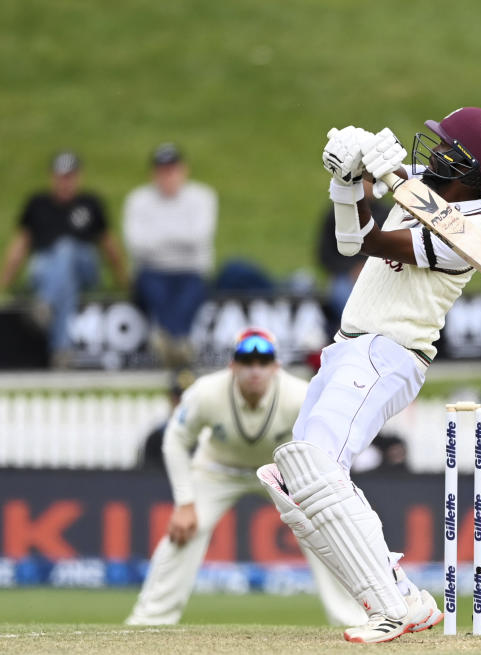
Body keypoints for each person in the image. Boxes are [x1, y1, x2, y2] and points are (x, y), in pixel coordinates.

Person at [256, 107, 481, 643]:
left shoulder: (466, 236)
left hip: (391, 350)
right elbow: (350, 242)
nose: (434, 153)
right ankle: (400, 594)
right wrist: (347, 182)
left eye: (448, 149)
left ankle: (391, 610)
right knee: (292, 481)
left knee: (317, 462)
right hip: (349, 347)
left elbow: (374, 243)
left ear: (470, 169)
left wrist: (373, 183)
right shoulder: (424, 186)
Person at [126, 328, 365, 627]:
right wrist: (185, 503)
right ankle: (149, 621)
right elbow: (175, 439)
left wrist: (320, 499)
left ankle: (351, 620)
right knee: (183, 532)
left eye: (263, 362)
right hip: (217, 469)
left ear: (275, 367)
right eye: (246, 361)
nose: (255, 370)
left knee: (323, 532)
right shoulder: (206, 392)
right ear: (233, 366)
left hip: (281, 472)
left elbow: (321, 445)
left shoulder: (299, 395)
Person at [0, 151, 126, 366]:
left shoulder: (90, 203)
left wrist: (122, 277)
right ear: (52, 177)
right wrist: (4, 280)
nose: (65, 182)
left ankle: (46, 304)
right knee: (64, 282)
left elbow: (108, 244)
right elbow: (20, 245)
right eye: (61, 176)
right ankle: (62, 351)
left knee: (66, 250)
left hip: (85, 266)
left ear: (78, 177)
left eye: (70, 176)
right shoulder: (37, 204)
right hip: (47, 270)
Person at [123, 143, 217, 366]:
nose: (168, 176)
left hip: (190, 271)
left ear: (184, 170)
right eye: (162, 170)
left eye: (172, 169)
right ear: (153, 173)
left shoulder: (202, 197)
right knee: (156, 291)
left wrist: (158, 239)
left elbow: (199, 237)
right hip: (152, 271)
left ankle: (168, 341)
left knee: (189, 293)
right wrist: (179, 239)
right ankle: (180, 344)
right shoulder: (138, 200)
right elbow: (137, 244)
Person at [316, 179, 390, 325]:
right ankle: (355, 329)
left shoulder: (389, 214)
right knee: (341, 293)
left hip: (380, 275)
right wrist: (351, 269)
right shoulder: (338, 213)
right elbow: (325, 254)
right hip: (345, 276)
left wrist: (368, 268)